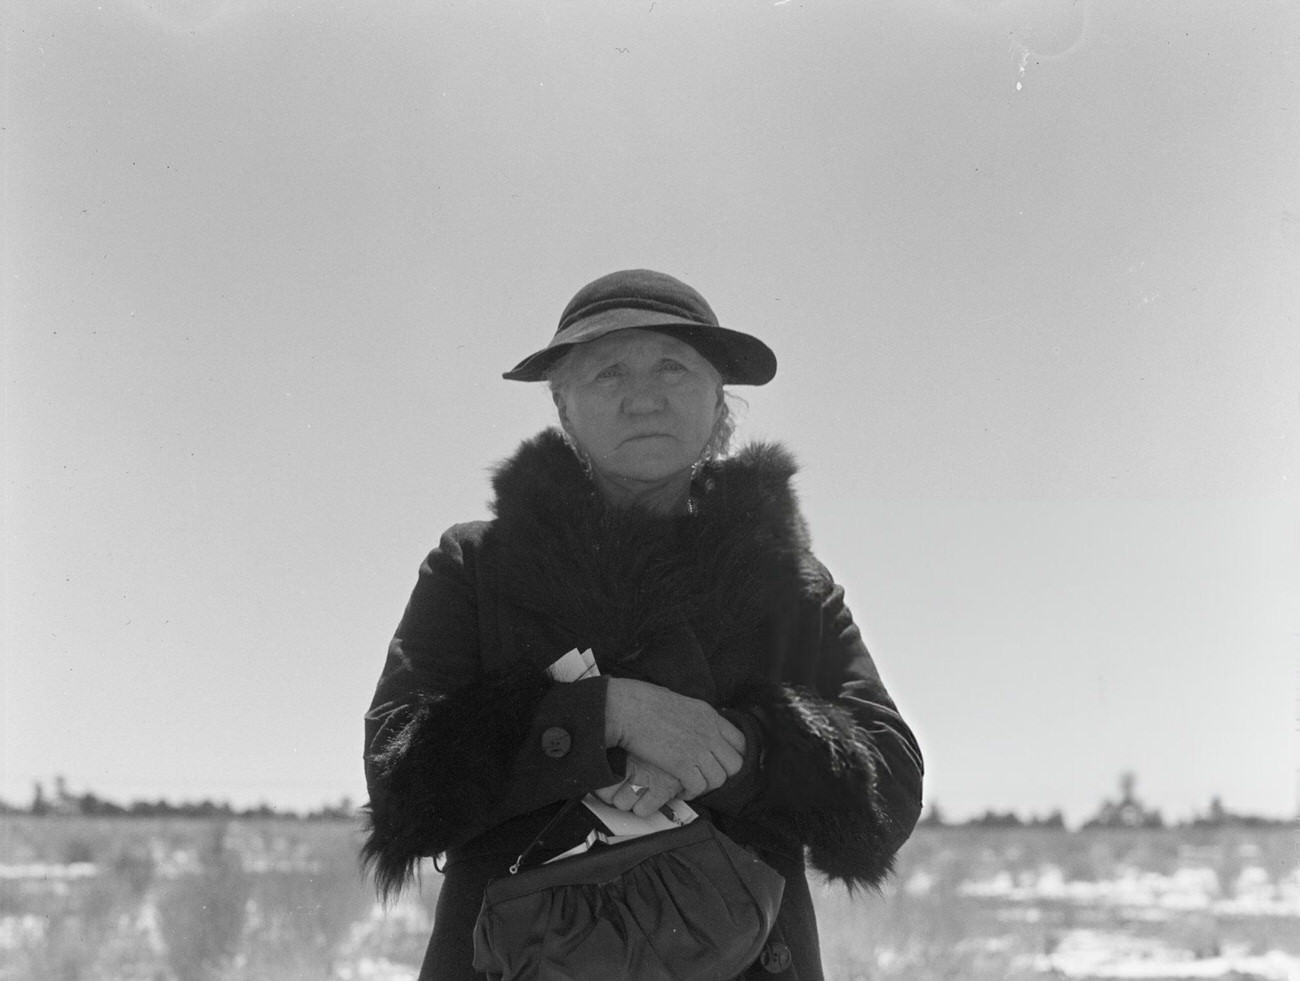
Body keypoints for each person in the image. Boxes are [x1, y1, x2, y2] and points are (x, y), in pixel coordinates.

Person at [362, 269, 924, 981]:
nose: (643, 395)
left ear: (719, 396)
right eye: (607, 372)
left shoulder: (793, 583)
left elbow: (891, 787)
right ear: (563, 404)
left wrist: (739, 748)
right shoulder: (475, 567)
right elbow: (399, 781)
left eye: (673, 366)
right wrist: (603, 717)